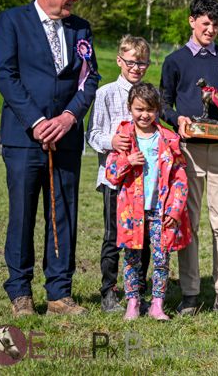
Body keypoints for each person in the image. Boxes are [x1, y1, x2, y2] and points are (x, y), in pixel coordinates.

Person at [0, 0, 99, 316]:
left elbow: (90, 79)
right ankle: (20, 292)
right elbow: (6, 75)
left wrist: (69, 117)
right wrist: (37, 121)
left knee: (63, 214)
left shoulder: (81, 29)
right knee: (22, 214)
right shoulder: (12, 21)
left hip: (66, 138)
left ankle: (59, 293)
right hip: (25, 138)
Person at [160, 0, 218, 316]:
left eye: (215, 24)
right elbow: (163, 104)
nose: (210, 29)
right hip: (189, 153)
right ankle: (190, 292)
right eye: (205, 23)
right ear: (192, 21)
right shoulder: (175, 61)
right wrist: (177, 120)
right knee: (191, 223)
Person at [105, 83, 191, 321]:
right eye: (139, 109)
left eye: (150, 110)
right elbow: (111, 174)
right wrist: (127, 161)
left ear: (158, 110)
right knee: (132, 257)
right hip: (131, 212)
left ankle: (157, 304)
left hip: (161, 210)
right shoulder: (123, 139)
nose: (144, 115)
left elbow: (180, 178)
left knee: (161, 257)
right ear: (130, 108)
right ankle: (132, 302)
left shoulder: (169, 139)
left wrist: (175, 209)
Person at [86, 35, 152, 313]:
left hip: (144, 180)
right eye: (131, 62)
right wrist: (111, 142)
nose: (136, 68)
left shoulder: (150, 95)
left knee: (144, 237)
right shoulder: (105, 94)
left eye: (142, 63)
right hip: (115, 180)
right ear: (119, 61)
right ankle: (108, 290)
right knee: (114, 235)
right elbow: (92, 134)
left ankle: (137, 289)